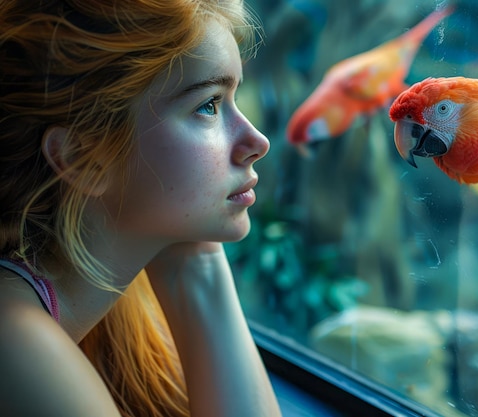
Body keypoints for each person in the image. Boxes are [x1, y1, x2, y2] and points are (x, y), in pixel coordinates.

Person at [0, 0, 282, 416]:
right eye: (209, 105)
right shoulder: (18, 343)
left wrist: (197, 263)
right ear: (84, 158)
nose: (257, 142)